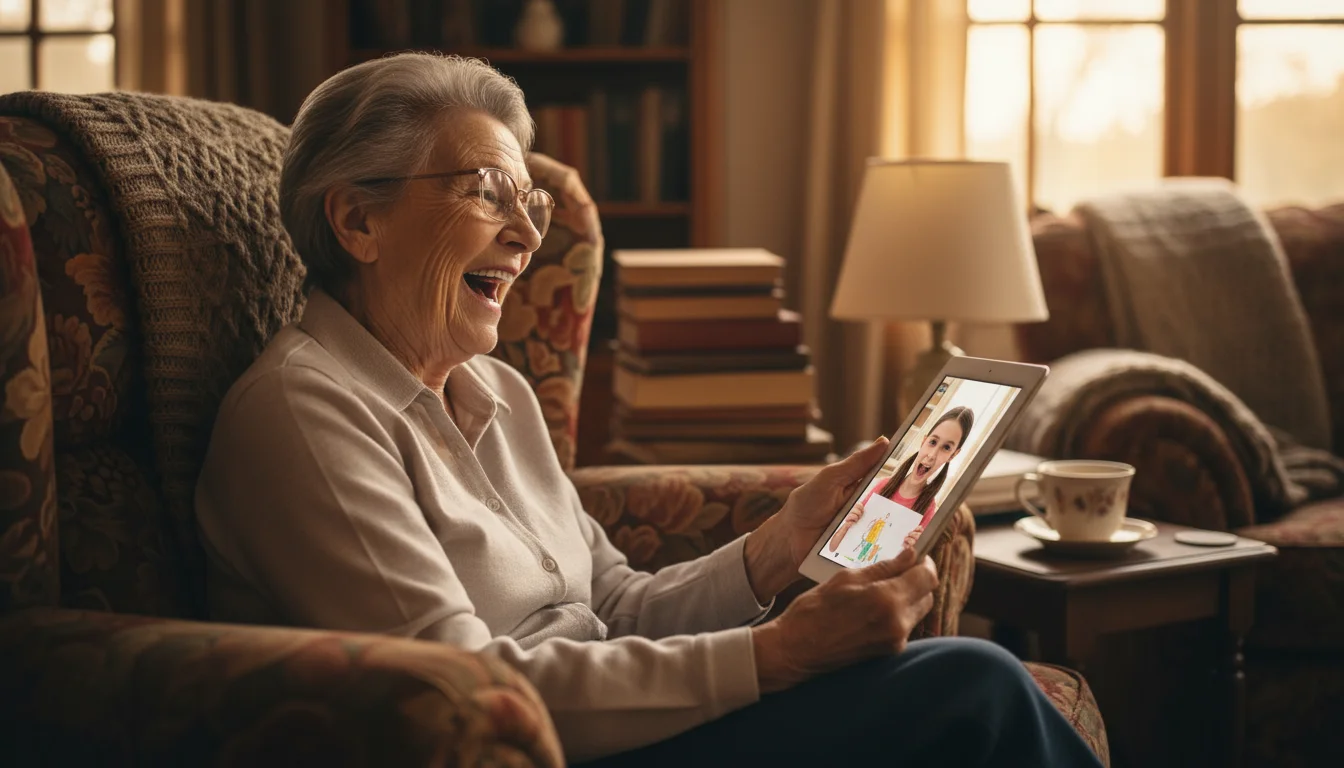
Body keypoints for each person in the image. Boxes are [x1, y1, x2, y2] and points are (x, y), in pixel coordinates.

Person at [193, 53, 1104, 767]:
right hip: (533, 754)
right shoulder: (302, 416)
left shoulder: (497, 393)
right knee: (971, 684)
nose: (525, 235)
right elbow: (468, 690)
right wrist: (777, 654)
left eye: (530, 201)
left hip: (626, 731)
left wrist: (778, 545)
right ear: (357, 221)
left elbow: (614, 607)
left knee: (957, 690)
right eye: (486, 193)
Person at [827, 407, 975, 555]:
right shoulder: (882, 484)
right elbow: (833, 548)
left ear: (953, 455)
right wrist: (847, 525)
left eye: (946, 448)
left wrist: (912, 552)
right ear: (924, 441)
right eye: (933, 442)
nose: (932, 455)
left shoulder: (929, 509)